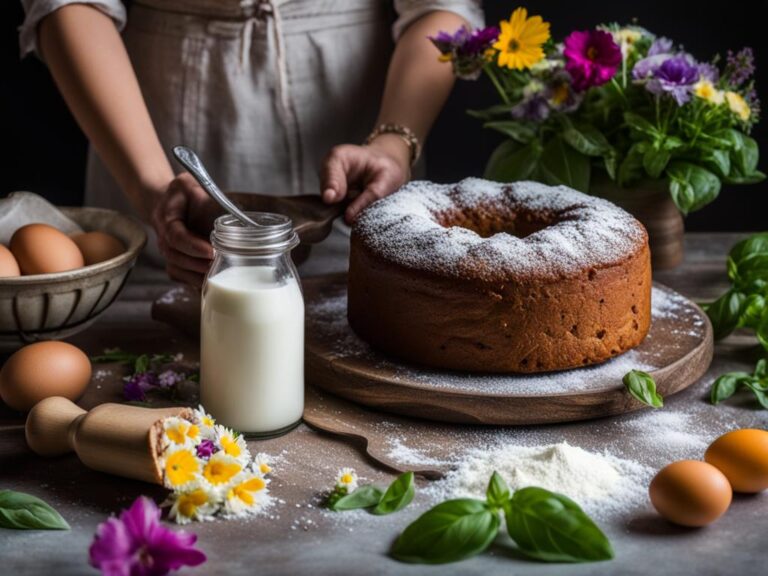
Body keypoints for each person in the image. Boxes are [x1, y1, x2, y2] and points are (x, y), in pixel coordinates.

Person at [18, 0, 483, 285]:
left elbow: (440, 8)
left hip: (363, 122)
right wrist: (150, 187)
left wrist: (393, 143)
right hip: (149, 128)